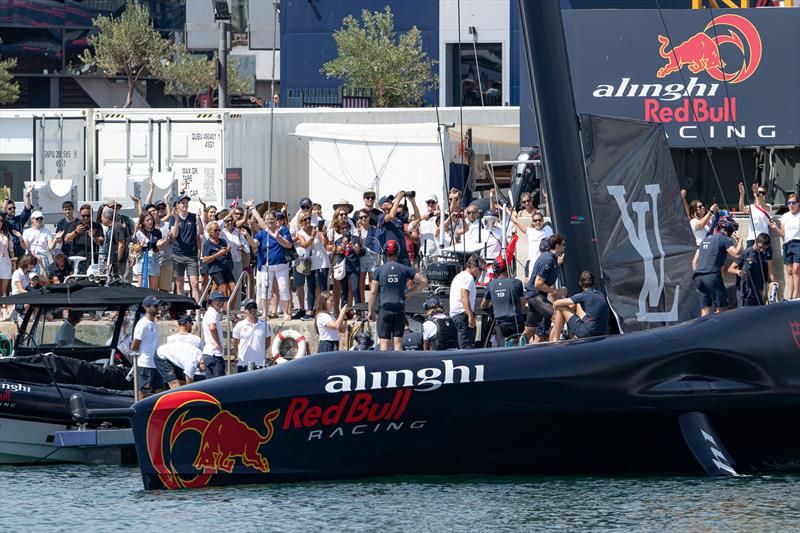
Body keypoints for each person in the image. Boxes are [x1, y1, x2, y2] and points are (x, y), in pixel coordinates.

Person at [369, 240, 425, 351]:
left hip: (384, 310)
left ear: (384, 253)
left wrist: (370, 310)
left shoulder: (379, 270)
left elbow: (373, 292)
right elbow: (423, 281)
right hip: (399, 309)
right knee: (398, 343)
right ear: (398, 252)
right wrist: (410, 292)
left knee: (384, 344)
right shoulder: (404, 269)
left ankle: (385, 368)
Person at [692, 217, 743, 316]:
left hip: (698, 277)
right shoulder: (725, 239)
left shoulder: (705, 239)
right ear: (729, 229)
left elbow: (694, 262)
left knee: (705, 310)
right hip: (712, 276)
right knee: (722, 309)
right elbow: (736, 254)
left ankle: (703, 330)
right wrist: (740, 242)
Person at [249, 209, 293, 319]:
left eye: (272, 219)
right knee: (265, 289)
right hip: (266, 266)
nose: (270, 221)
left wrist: (278, 237)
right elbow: (254, 245)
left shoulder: (283, 231)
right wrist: (247, 236)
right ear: (264, 221)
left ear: (276, 220)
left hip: (281, 265)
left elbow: (288, 245)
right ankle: (265, 313)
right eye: (267, 219)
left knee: (283, 288)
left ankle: (286, 313)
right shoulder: (261, 234)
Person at [524, 234, 567, 343]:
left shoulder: (552, 259)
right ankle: (554, 345)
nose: (564, 247)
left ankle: (517, 349)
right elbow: (538, 284)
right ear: (557, 246)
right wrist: (556, 291)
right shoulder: (547, 260)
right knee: (558, 317)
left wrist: (558, 264)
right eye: (563, 245)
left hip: (535, 296)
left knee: (530, 329)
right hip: (535, 296)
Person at [549, 271, 609, 341]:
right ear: (594, 282)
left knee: (560, 307)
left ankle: (555, 339)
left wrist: (556, 316)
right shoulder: (600, 294)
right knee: (577, 304)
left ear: (580, 283)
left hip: (587, 333)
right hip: (602, 331)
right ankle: (571, 333)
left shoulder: (583, 295)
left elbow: (556, 303)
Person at [480, 257, 526, 342]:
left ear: (495, 270)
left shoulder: (490, 285)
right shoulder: (517, 282)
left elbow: (483, 305)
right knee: (519, 350)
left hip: (501, 324)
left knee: (502, 351)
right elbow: (523, 305)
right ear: (507, 268)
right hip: (516, 323)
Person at [728, 232, 777, 307]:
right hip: (745, 293)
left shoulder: (763, 256)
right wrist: (738, 271)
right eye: (760, 247)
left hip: (758, 293)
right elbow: (730, 269)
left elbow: (766, 276)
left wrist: (773, 283)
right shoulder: (746, 253)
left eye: (764, 248)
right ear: (755, 242)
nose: (762, 250)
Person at [156, 314, 204, 389]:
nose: (192, 326)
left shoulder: (170, 339)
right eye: (191, 324)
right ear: (188, 324)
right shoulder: (197, 340)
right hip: (187, 367)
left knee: (180, 384)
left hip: (178, 365)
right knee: (177, 385)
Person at [169, 195, 202, 302]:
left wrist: (199, 218)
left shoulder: (193, 217)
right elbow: (174, 235)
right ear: (177, 205)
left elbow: (200, 232)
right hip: (177, 255)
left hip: (191, 256)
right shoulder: (173, 218)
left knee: (195, 283)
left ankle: (197, 310)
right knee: (179, 284)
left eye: (186, 202)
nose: (185, 204)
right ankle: (183, 309)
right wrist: (177, 219)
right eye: (182, 202)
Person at [295, 212, 328, 320]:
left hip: (322, 262)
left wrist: (324, 234)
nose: (308, 221)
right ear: (301, 222)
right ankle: (310, 311)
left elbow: (325, 244)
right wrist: (312, 237)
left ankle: (323, 310)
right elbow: (304, 245)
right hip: (310, 263)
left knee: (323, 287)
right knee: (310, 287)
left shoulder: (316, 229)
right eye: (305, 220)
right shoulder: (300, 233)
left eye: (309, 219)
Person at [131, 295, 163, 400]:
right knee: (143, 393)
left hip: (155, 363)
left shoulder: (154, 324)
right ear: (147, 307)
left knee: (160, 391)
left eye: (158, 305)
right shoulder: (142, 324)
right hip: (145, 363)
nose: (157, 308)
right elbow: (135, 345)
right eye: (155, 306)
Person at [449, 254, 484, 349]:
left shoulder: (459, 276)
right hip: (463, 315)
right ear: (473, 266)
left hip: (455, 316)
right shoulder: (468, 277)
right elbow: (464, 296)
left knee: (461, 345)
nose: (481, 272)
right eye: (480, 269)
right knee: (466, 347)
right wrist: (470, 316)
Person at [377, 192, 419, 267]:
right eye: (387, 201)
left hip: (403, 253)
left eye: (390, 200)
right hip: (390, 254)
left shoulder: (399, 216)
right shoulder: (381, 217)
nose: (390, 202)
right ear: (382, 206)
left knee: (408, 277)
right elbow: (391, 216)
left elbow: (417, 218)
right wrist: (398, 200)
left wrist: (413, 201)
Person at [510, 209, 552, 279]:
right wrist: (509, 212)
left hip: (543, 263)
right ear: (533, 222)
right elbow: (516, 222)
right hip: (532, 263)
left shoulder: (547, 232)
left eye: (539, 220)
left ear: (542, 221)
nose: (537, 222)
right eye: (535, 220)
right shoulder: (530, 231)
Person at [63, 204, 104, 274]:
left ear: (91, 215)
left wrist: (94, 237)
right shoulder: (75, 225)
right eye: (83, 216)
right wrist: (75, 232)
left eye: (88, 215)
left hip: (93, 259)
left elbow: (102, 242)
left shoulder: (97, 226)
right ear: (80, 215)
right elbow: (66, 239)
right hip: (78, 259)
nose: (85, 218)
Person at [232, 299, 270, 371]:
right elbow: (235, 344)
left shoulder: (265, 324)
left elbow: (267, 343)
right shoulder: (239, 325)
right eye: (249, 307)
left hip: (260, 364)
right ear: (245, 310)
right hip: (243, 364)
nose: (252, 309)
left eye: (254, 307)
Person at [738, 182, 773, 258]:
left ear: (765, 195)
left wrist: (757, 194)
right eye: (758, 192)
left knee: (765, 264)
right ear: (754, 194)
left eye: (762, 193)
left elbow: (763, 206)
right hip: (751, 238)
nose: (760, 194)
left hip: (764, 239)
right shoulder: (751, 207)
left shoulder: (768, 206)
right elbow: (742, 209)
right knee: (749, 262)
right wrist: (741, 195)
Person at [333, 220, 362, 309]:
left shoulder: (355, 238)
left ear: (349, 228)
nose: (345, 229)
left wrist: (351, 245)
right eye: (342, 228)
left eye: (346, 227)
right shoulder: (338, 241)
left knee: (355, 289)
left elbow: (357, 251)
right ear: (340, 230)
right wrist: (343, 244)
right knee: (344, 290)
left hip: (354, 267)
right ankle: (344, 312)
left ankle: (358, 311)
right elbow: (339, 251)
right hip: (343, 268)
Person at [202, 221, 235, 297]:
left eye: (219, 230)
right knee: (224, 289)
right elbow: (205, 259)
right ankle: (224, 308)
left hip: (226, 268)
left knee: (234, 289)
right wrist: (218, 254)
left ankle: (231, 308)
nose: (218, 232)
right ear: (210, 232)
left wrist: (227, 250)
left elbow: (226, 253)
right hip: (216, 269)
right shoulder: (207, 244)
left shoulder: (223, 241)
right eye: (215, 230)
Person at [778, 194, 800, 300]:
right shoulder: (785, 216)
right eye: (789, 203)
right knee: (790, 271)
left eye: (794, 203)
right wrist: (775, 228)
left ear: (798, 203)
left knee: (796, 270)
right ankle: (790, 297)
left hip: (798, 243)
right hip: (787, 244)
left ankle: (795, 297)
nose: (791, 205)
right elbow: (782, 233)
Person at [133, 212, 163, 289]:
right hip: (143, 258)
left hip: (154, 257)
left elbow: (159, 248)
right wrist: (140, 245)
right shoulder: (139, 232)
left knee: (153, 288)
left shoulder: (157, 232)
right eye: (147, 220)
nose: (150, 221)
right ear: (143, 222)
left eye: (151, 219)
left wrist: (159, 245)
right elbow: (135, 249)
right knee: (142, 287)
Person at [202, 290, 228, 378]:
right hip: (214, 354)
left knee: (210, 384)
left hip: (208, 354)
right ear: (212, 301)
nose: (220, 303)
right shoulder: (213, 313)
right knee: (219, 385)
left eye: (222, 300)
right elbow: (212, 328)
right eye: (217, 300)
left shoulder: (209, 312)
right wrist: (218, 344)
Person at [3, 183, 33, 258]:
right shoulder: (3, 221)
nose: (12, 209)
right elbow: (2, 213)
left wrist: (27, 195)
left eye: (14, 207)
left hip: (20, 253)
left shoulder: (19, 219)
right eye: (10, 208)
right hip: (8, 254)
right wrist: (6, 199)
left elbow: (27, 210)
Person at [22, 210, 55, 276]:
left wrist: (56, 240)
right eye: (37, 218)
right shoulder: (27, 231)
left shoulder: (47, 231)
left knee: (43, 278)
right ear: (32, 220)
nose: (39, 220)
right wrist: (20, 238)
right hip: (30, 257)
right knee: (30, 278)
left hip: (42, 257)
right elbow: (26, 246)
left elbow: (50, 246)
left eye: (41, 218)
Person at [98, 208, 126, 275]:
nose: (101, 219)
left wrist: (117, 260)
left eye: (102, 217)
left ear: (107, 217)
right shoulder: (110, 228)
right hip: (111, 259)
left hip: (118, 260)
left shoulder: (117, 226)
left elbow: (121, 244)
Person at [0, 216, 13, 295]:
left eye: (1, 220)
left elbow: (11, 251)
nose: (0, 222)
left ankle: (4, 305)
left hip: (5, 261)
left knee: (4, 291)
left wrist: (14, 263)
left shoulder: (7, 235)